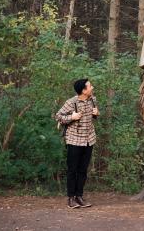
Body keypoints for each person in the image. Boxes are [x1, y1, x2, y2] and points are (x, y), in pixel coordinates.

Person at [55, 78, 100, 209]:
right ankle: (70, 198)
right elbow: (58, 116)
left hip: (89, 140)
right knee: (72, 170)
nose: (92, 87)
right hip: (74, 140)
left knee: (83, 170)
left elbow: (94, 115)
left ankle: (79, 196)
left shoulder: (93, 99)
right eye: (90, 86)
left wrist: (97, 113)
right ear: (83, 90)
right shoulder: (71, 102)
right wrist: (71, 117)